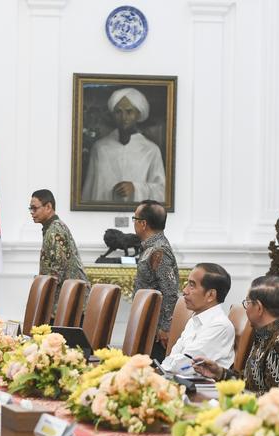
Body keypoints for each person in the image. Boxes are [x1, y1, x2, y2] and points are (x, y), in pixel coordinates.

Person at [195, 276, 279, 404]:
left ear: (258, 307)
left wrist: (236, 397)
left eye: (247, 303)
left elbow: (278, 401)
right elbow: (250, 383)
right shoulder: (267, 333)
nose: (246, 308)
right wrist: (219, 372)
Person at [81, 87, 166, 204]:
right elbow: (88, 192)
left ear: (138, 114)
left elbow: (161, 191)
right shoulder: (100, 148)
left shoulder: (151, 150)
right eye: (118, 112)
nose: (123, 117)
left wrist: (135, 188)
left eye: (129, 111)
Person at [160, 263, 235, 373]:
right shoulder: (195, 319)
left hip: (199, 388)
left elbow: (184, 366)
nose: (185, 291)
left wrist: (159, 370)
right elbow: (173, 356)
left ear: (210, 295)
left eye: (192, 285)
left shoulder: (220, 326)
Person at [132, 199, 178, 361]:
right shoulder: (150, 247)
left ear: (143, 224)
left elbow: (170, 291)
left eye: (134, 219)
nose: (134, 223)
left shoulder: (159, 250)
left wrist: (165, 328)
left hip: (156, 329)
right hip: (147, 323)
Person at [29, 189, 88, 291]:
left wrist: (39, 285)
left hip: (68, 298)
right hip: (68, 294)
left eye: (35, 208)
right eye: (30, 209)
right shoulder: (54, 226)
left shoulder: (55, 230)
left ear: (48, 207)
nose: (32, 212)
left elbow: (57, 271)